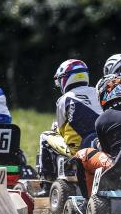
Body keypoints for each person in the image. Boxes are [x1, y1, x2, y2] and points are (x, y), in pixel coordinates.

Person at [36, 59, 102, 188]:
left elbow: (60, 130)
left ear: (65, 79)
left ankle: (46, 183)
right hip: (101, 145)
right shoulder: (98, 92)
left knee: (45, 137)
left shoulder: (64, 99)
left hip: (78, 149)